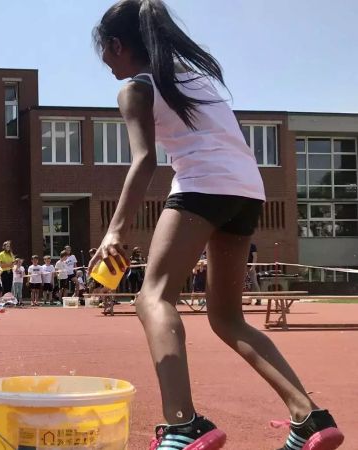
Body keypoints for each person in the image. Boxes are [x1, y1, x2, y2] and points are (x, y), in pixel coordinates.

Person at [89, 1, 342, 448]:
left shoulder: (136, 88)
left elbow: (145, 159)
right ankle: (310, 418)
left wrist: (115, 230)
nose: (107, 65)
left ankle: (183, 424)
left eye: (105, 55)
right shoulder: (194, 78)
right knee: (227, 318)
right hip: (247, 192)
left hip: (202, 187)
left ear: (117, 45)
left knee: (152, 298)